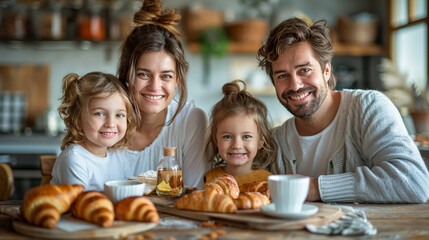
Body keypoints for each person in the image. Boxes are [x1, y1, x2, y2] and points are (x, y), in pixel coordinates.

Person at [257, 17, 429, 203]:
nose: (295, 85)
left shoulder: (369, 109)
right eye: (282, 75)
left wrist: (315, 188)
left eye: (304, 70)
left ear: (326, 70)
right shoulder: (273, 143)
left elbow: (414, 182)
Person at [117, 0, 209, 187]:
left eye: (166, 76)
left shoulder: (191, 121)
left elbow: (194, 192)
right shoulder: (108, 119)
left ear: (177, 80)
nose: (154, 86)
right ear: (127, 73)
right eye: (143, 74)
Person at [51, 72, 138, 191]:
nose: (111, 124)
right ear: (78, 119)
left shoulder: (119, 155)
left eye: (119, 115)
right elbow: (81, 205)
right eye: (100, 114)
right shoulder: (74, 159)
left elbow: (128, 193)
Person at [204, 80, 277, 187]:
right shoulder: (209, 179)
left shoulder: (268, 182)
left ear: (261, 141)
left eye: (246, 136)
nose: (237, 145)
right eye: (227, 137)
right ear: (216, 140)